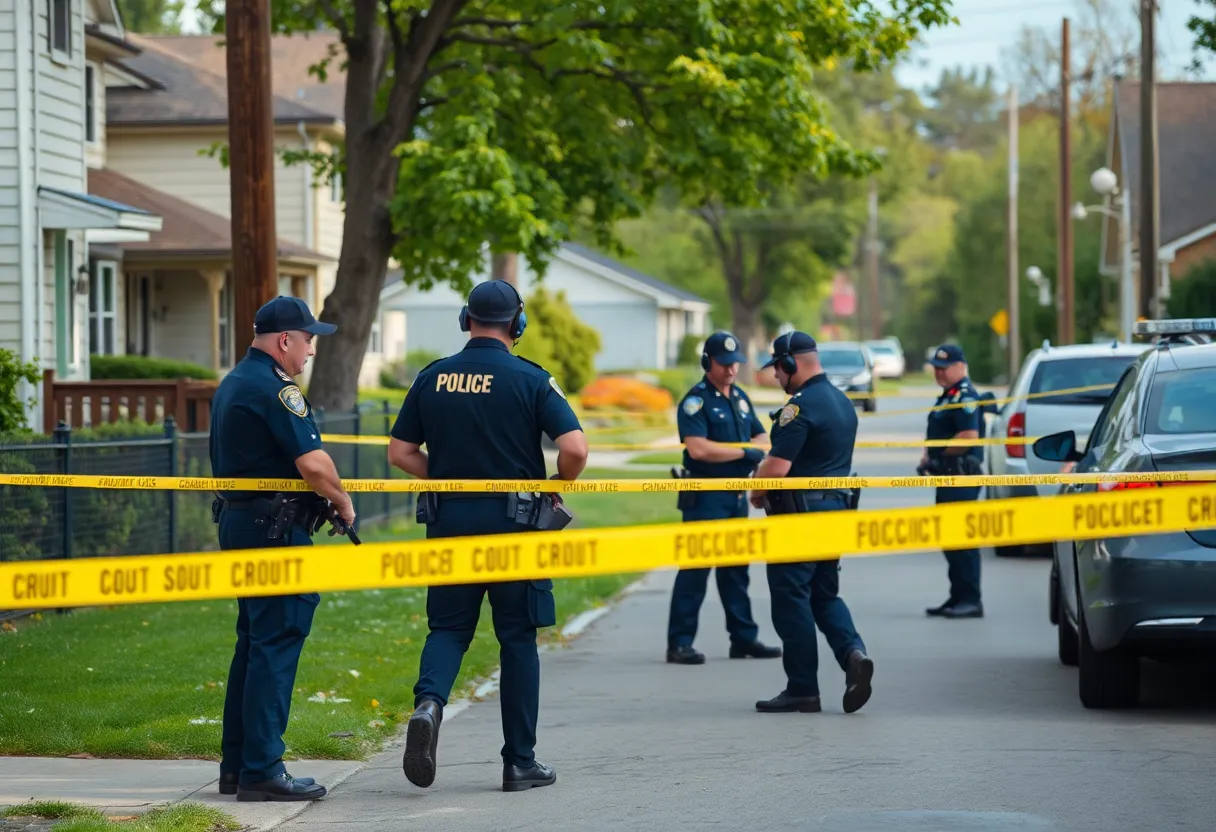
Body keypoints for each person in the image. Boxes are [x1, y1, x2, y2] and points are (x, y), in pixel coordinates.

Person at [387, 279, 589, 794]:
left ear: (466, 319)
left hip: (449, 524)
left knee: (449, 630)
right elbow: (575, 448)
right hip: (516, 529)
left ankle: (429, 705)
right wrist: (555, 487)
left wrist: (446, 480)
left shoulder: (432, 378)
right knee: (516, 639)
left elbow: (400, 452)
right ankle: (519, 763)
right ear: (516, 324)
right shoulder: (531, 379)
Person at [209, 295, 356, 802]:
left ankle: (239, 766)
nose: (312, 350)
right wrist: (342, 499)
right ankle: (263, 770)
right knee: (277, 639)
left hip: (242, 522)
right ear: (285, 340)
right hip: (273, 529)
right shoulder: (277, 389)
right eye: (309, 339)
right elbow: (314, 464)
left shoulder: (234, 381)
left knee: (253, 642)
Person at [747, 331, 874, 715]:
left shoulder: (797, 410)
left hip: (798, 519)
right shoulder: (842, 403)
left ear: (790, 364)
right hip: (835, 515)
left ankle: (802, 687)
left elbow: (776, 470)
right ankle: (853, 654)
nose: (774, 378)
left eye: (776, 369)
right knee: (824, 595)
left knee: (791, 599)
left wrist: (755, 488)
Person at [667, 330, 782, 665]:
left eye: (735, 363)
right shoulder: (696, 400)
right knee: (695, 571)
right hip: (705, 495)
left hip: (734, 496)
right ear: (707, 362)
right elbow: (698, 448)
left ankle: (744, 639)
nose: (732, 370)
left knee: (736, 570)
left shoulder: (740, 398)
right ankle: (679, 643)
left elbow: (762, 436)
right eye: (724, 363)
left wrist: (750, 450)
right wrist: (744, 452)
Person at [920, 344, 985, 619]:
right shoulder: (948, 396)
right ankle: (957, 595)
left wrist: (939, 455)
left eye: (944, 368)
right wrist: (928, 458)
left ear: (961, 366)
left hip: (961, 475)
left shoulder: (965, 395)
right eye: (936, 367)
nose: (939, 373)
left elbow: (969, 436)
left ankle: (971, 599)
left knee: (962, 541)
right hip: (947, 476)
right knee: (949, 539)